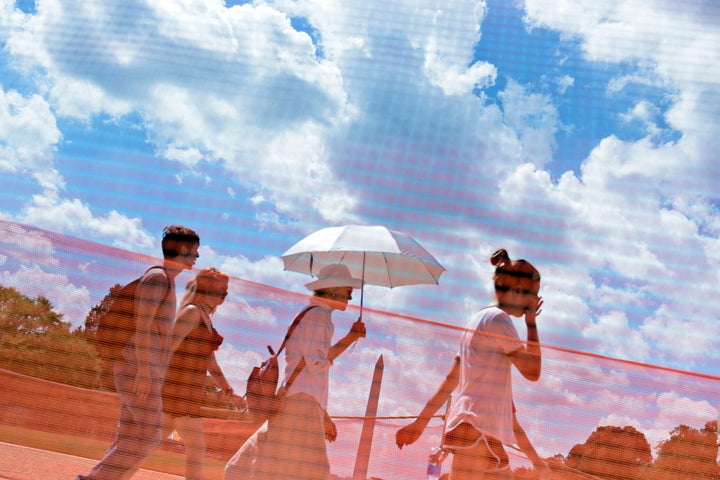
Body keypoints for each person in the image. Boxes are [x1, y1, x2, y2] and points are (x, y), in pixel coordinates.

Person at [396, 248, 544, 480]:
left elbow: (450, 381)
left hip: (479, 432)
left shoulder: (476, 321)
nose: (533, 303)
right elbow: (533, 371)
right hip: (475, 430)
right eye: (532, 296)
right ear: (517, 290)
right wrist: (531, 324)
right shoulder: (498, 320)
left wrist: (420, 423)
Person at [77, 225, 200, 480]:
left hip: (143, 370)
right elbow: (141, 327)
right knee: (150, 433)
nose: (197, 257)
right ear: (184, 249)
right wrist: (144, 371)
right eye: (195, 251)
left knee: (129, 436)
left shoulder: (167, 281)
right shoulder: (157, 279)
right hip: (137, 370)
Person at [225, 263, 367, 480]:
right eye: (348, 291)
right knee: (312, 471)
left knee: (271, 462)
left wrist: (323, 415)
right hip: (302, 404)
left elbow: (307, 371)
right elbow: (316, 364)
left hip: (297, 399)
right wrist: (350, 338)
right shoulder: (320, 316)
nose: (350, 296)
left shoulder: (312, 313)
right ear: (334, 288)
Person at [161, 267, 246, 480]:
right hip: (176, 391)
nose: (224, 296)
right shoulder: (191, 312)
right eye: (220, 291)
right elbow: (167, 349)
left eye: (226, 292)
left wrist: (229, 393)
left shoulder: (204, 318)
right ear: (206, 290)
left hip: (186, 392)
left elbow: (212, 364)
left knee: (146, 442)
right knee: (195, 449)